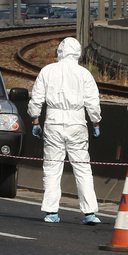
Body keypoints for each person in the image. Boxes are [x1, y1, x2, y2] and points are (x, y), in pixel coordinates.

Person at [27, 37, 103, 225]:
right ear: (78, 53)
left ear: (60, 52)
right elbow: (92, 102)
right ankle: (89, 212)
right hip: (77, 122)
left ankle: (51, 211)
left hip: (53, 121)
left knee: (52, 167)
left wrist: (35, 120)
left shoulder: (47, 71)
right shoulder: (84, 74)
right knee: (83, 167)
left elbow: (36, 98)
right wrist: (96, 123)